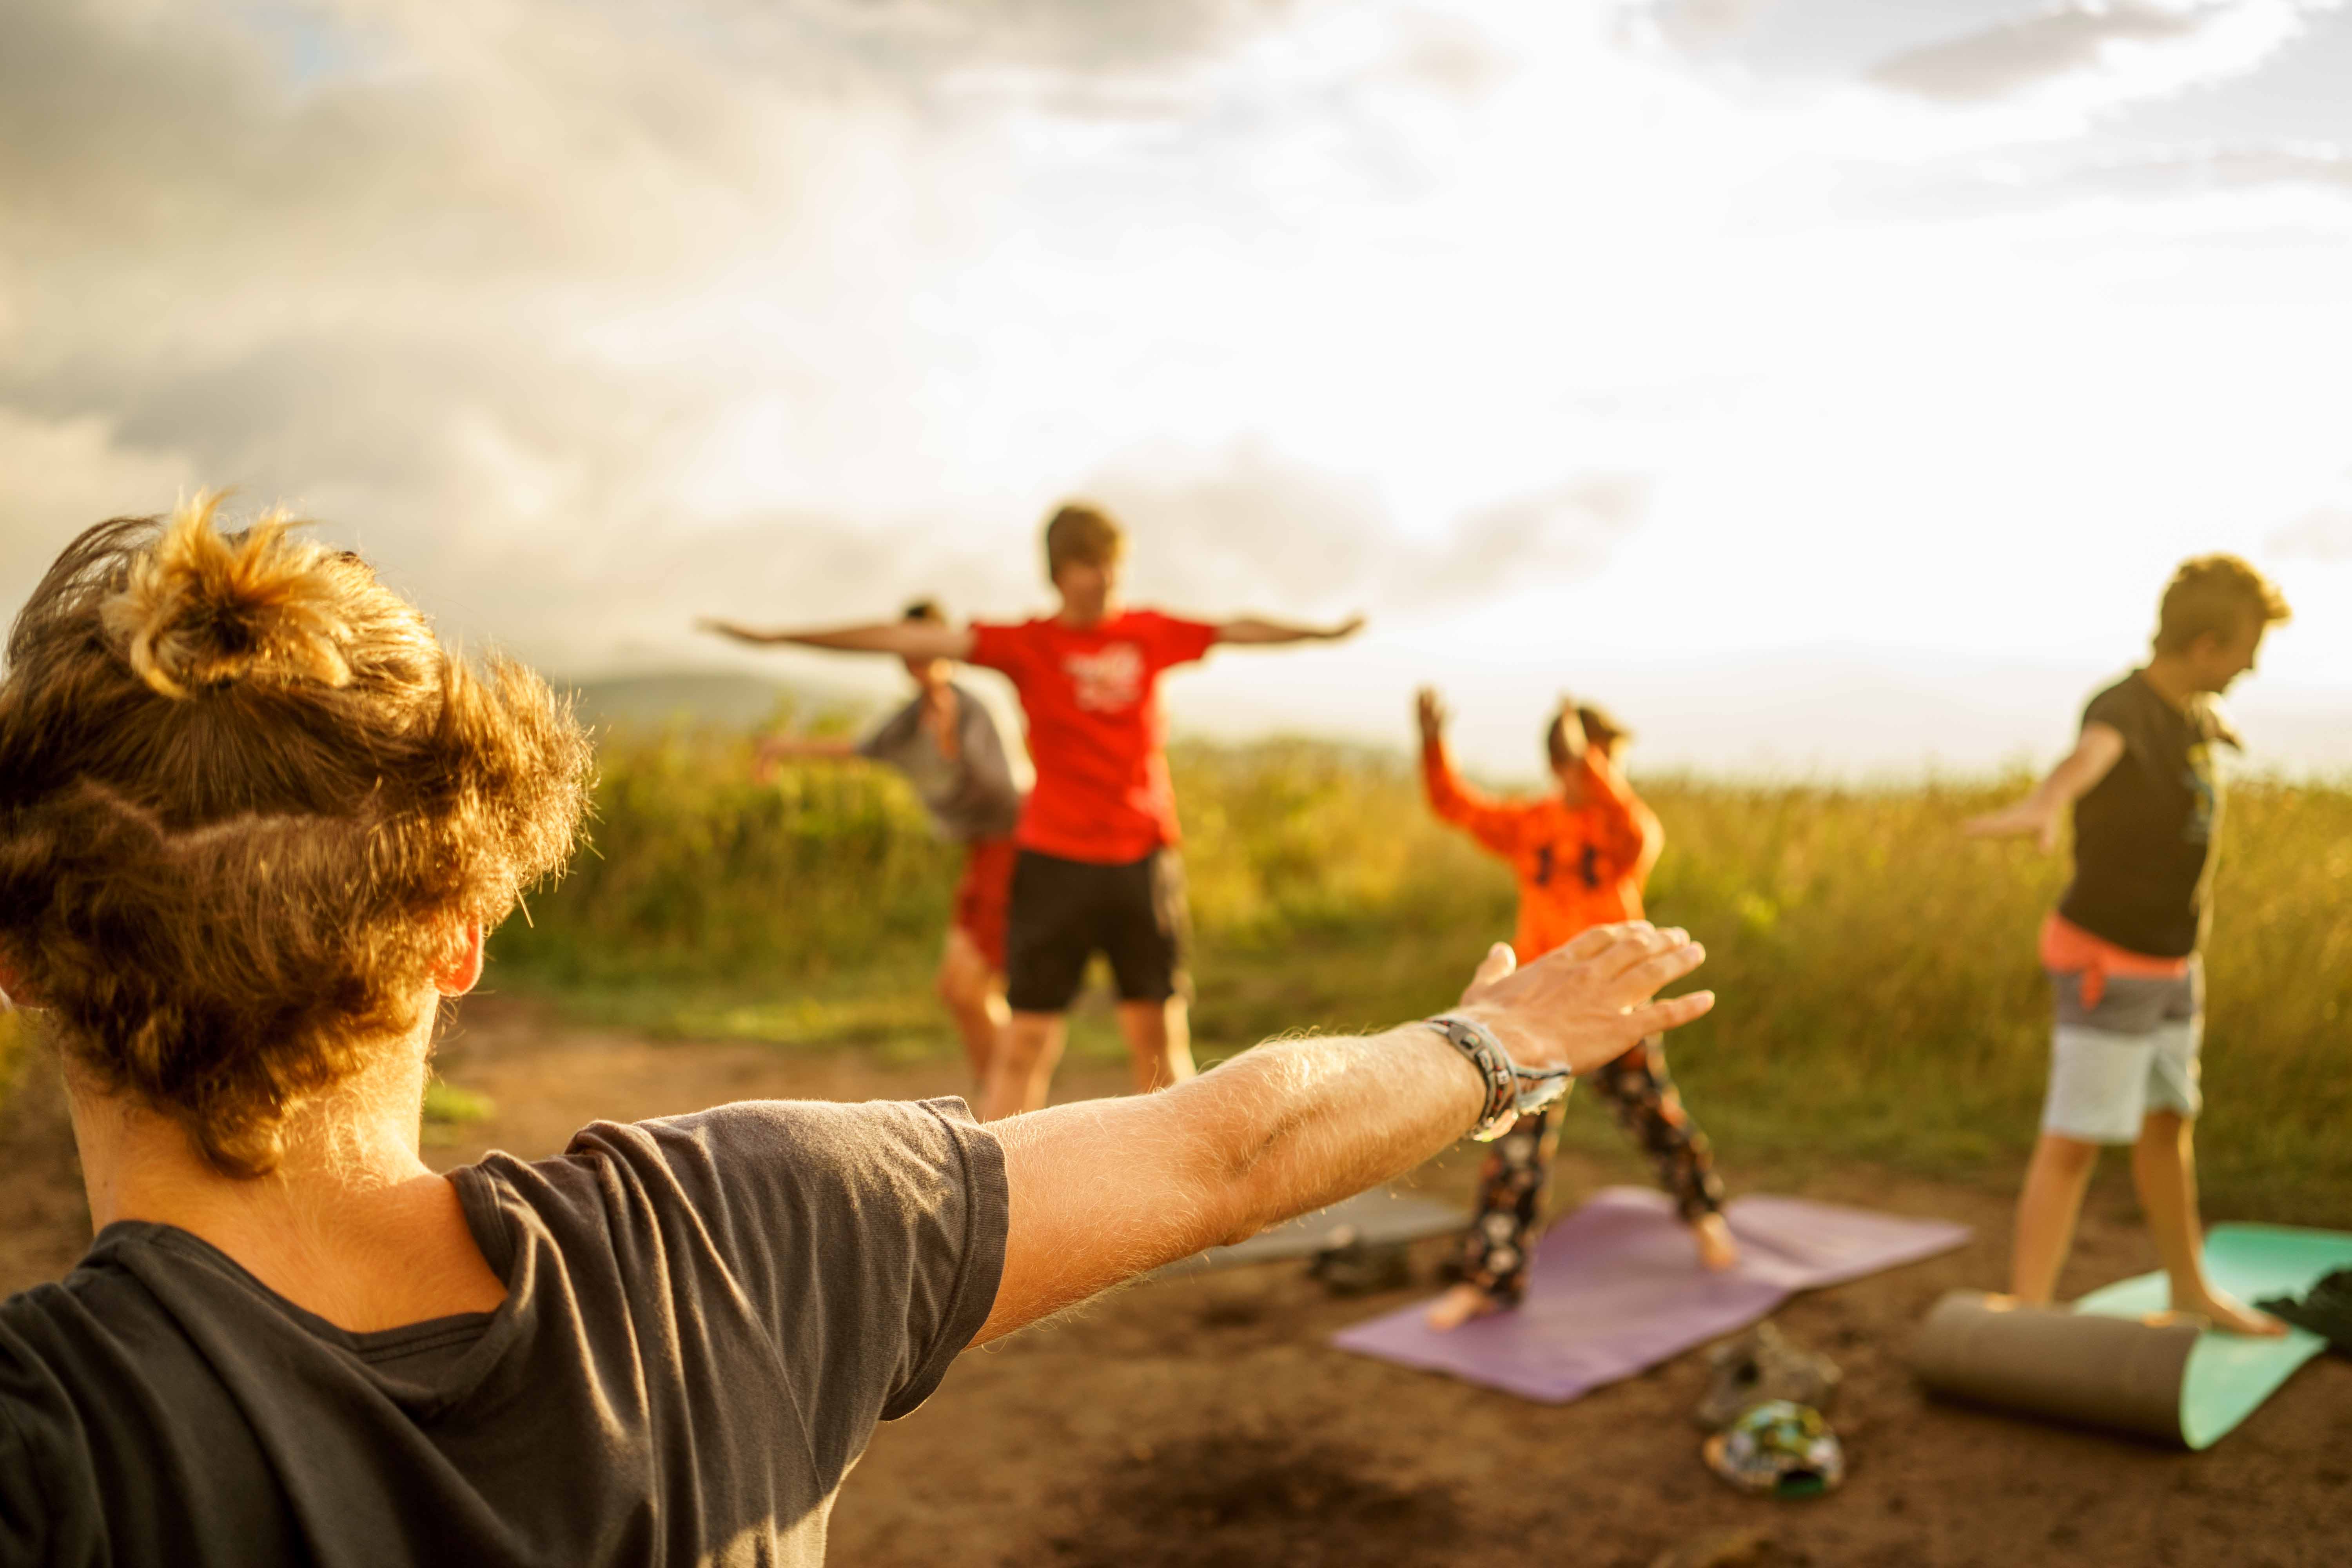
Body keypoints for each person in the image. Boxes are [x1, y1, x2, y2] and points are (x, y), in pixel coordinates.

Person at [0, 498, 1715, 1567]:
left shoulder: (52, 1445)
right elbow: (1232, 1139)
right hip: (1078, 919)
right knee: (1061, 1050)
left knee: (1106, 1024)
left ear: (18, 959)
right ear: (464, 933)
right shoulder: (765, 1224)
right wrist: (1499, 1034)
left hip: (1111, 868)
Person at [701, 502, 1362, 1120]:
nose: (1103, 580)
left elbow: (1236, 629)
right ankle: (1001, 1192)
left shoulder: (1149, 633)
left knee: (1162, 1048)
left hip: (1141, 860)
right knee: (1024, 1046)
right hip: (1054, 863)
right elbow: (903, 636)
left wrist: (1322, 633)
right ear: (1058, 573)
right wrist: (777, 637)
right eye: (1087, 565)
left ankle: (1186, 1193)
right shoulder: (1028, 644)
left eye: (1112, 565)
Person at [1967, 554, 2292, 1335]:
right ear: (2206, 645)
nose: (2251, 666)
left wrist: (2217, 726)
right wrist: (2047, 802)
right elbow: (2089, 758)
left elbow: (2184, 740)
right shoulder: (2121, 709)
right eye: (2246, 650)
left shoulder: (2190, 712)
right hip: (2106, 963)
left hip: (2175, 963)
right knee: (2074, 1141)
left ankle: (2189, 1289)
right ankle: (2026, 1315)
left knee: (2167, 1124)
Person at [1414, 686, 1737, 1330]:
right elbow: (1458, 806)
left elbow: (1628, 823)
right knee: (1516, 1147)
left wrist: (1584, 755)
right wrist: (1432, 745)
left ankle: (1706, 1216)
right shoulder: (1532, 824)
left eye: (1609, 762)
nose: (1608, 773)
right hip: (1536, 1015)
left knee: (1656, 1117)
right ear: (1558, 764)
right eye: (1599, 759)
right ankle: (1489, 1279)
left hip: (1617, 1007)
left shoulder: (1627, 828)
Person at [742, 600, 1021, 1090]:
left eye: (926, 645)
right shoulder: (912, 720)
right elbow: (860, 748)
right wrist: (780, 747)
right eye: (906, 648)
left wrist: (954, 744)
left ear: (947, 646)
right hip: (982, 853)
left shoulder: (975, 709)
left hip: (1018, 848)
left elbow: (1012, 791)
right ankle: (1002, 1101)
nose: (917, 657)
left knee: (972, 988)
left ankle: (1014, 1103)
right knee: (956, 991)